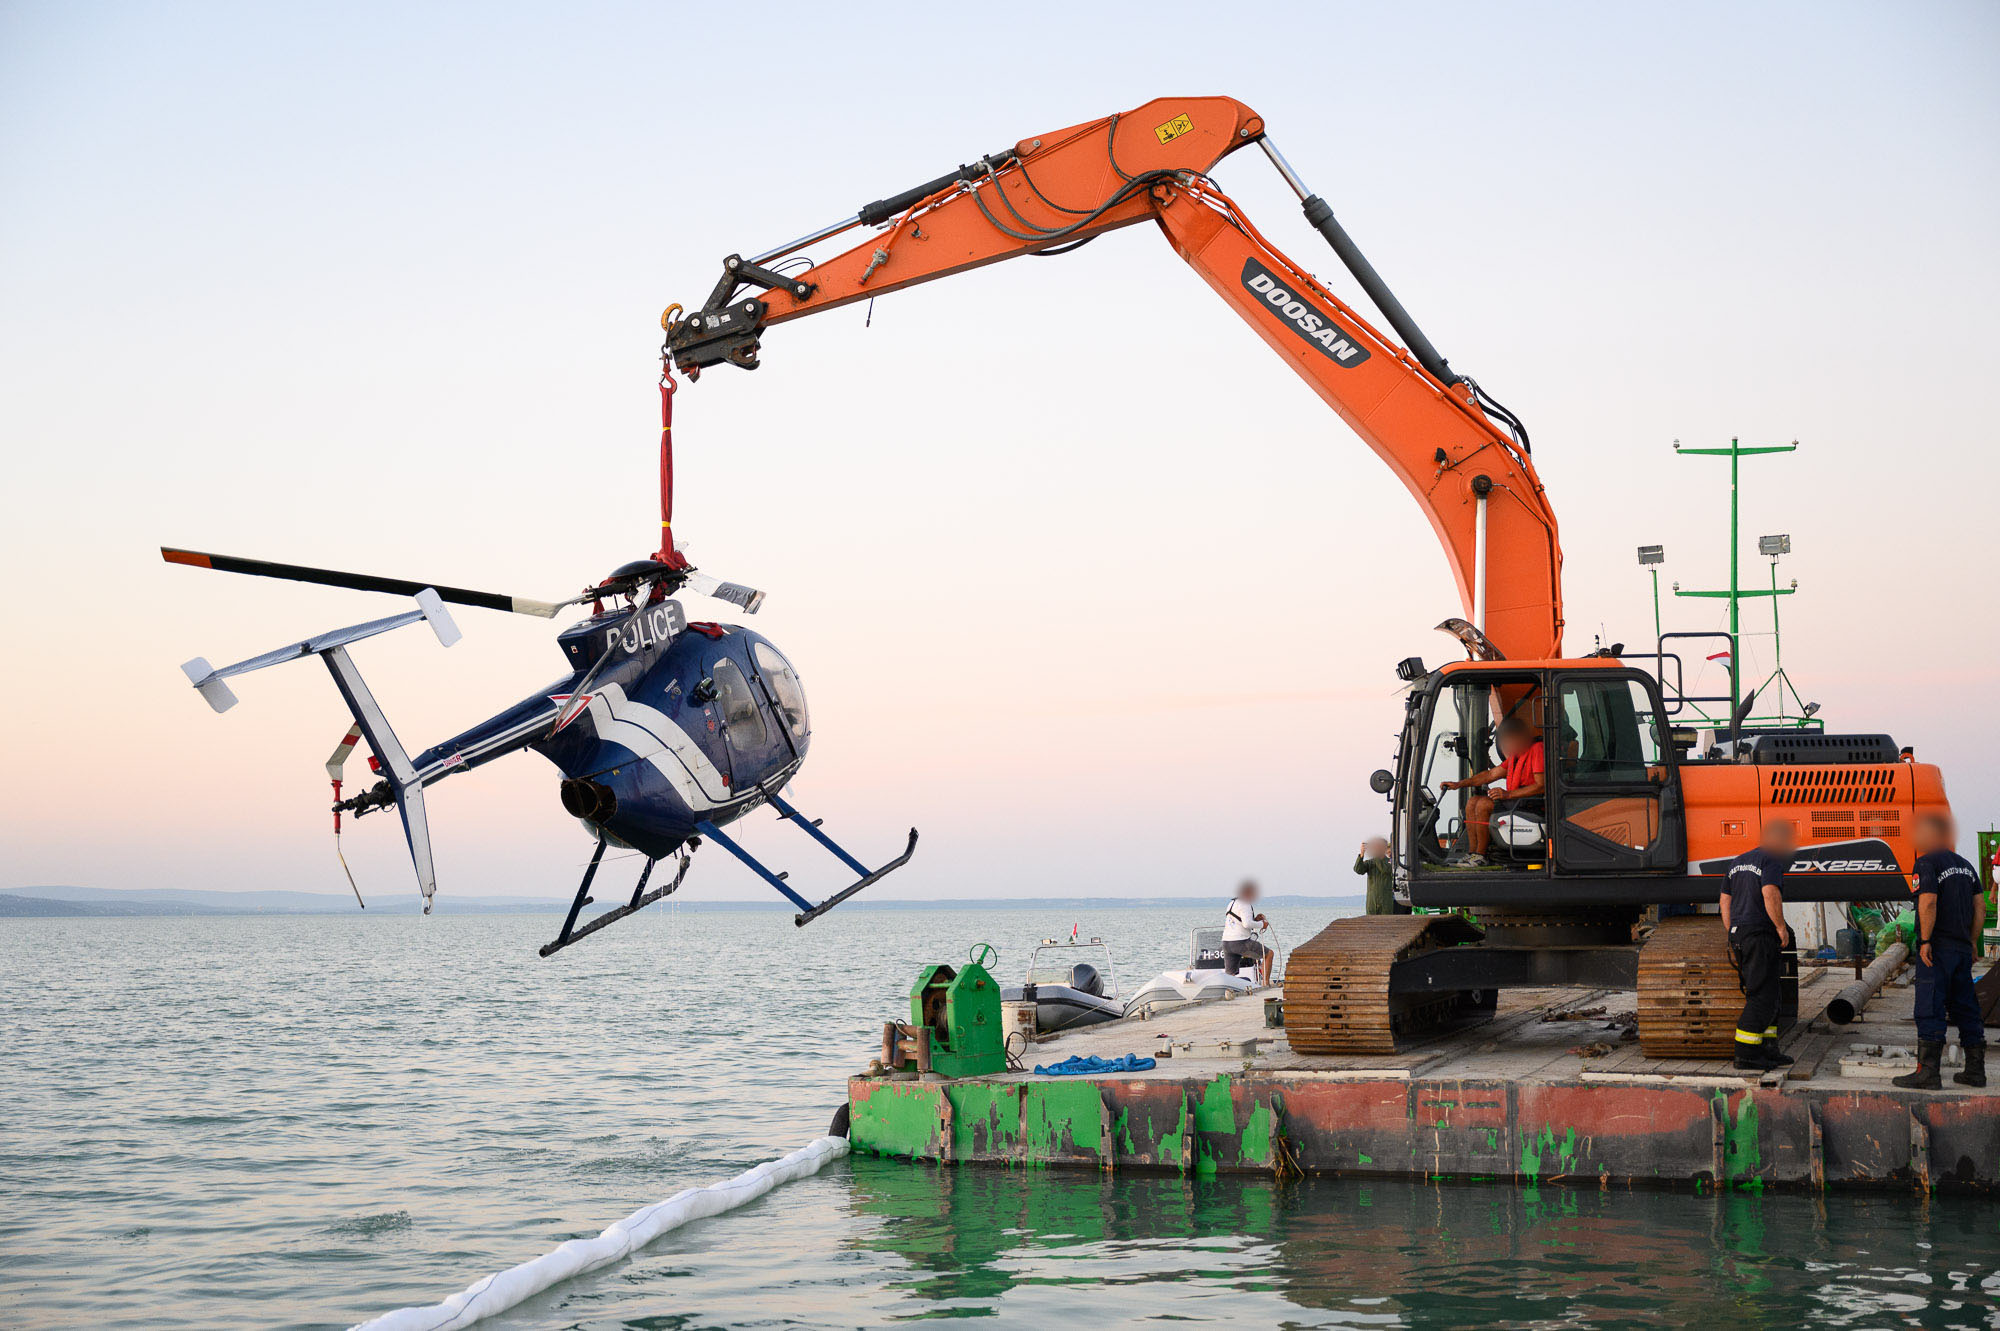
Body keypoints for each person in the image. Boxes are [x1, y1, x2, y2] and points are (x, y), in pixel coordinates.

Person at [1894, 815, 1987, 1089]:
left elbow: (1929, 902)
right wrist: (1971, 941)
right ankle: (1975, 1072)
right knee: (1966, 1007)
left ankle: (1928, 1073)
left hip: (1937, 949)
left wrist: (1925, 940)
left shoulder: (1926, 863)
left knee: (1929, 1006)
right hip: (1961, 948)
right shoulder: (1966, 866)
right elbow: (1979, 908)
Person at [1721, 820, 1796, 1070]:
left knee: (1771, 993)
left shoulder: (1737, 862)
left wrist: (1733, 931)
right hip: (1760, 934)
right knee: (1761, 997)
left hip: (1742, 933)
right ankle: (1747, 1054)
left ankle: (1768, 1048)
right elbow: (1770, 893)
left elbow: (1725, 900)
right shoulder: (1771, 860)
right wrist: (1781, 927)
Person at [1441, 718, 1546, 865]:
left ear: (1522, 737)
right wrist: (1458, 784)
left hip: (1531, 804)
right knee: (1472, 802)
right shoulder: (1516, 757)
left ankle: (1481, 856)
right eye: (1505, 742)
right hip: (1516, 802)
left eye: (1510, 741)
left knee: (1483, 805)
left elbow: (1542, 786)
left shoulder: (1537, 750)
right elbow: (1489, 775)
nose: (1507, 746)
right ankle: (1471, 853)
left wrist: (1508, 794)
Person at [1221, 879, 1272, 984]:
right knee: (1269, 954)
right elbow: (1247, 924)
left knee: (1230, 974)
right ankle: (1266, 984)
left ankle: (1229, 990)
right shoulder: (1245, 904)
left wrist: (1255, 920)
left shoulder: (1231, 903)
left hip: (1227, 943)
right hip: (1240, 942)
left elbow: (1240, 921)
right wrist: (1263, 924)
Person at [1354, 838, 1396, 915]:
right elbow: (1358, 870)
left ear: (1384, 848)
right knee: (1370, 924)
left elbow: (1385, 869)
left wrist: (1376, 856)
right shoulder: (1371, 862)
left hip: (1385, 902)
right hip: (1372, 901)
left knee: (1385, 923)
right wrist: (1362, 854)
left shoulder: (1390, 862)